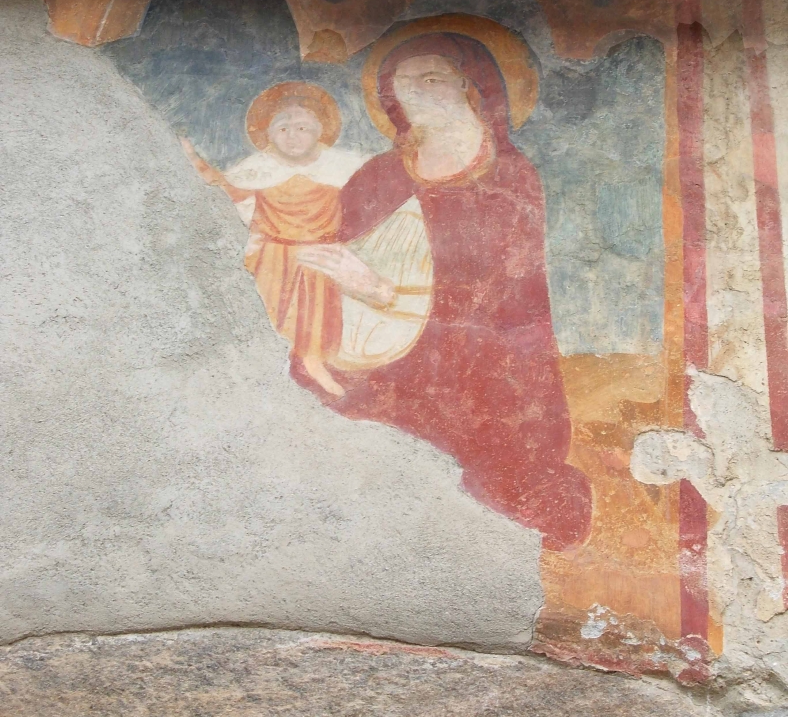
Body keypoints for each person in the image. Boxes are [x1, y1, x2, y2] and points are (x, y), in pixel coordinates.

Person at [297, 32, 593, 551]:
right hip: (379, 342)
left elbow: (502, 292)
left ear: (469, 86)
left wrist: (381, 290)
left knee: (505, 463)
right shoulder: (377, 176)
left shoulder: (509, 176)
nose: (417, 92)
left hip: (485, 351)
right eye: (403, 84)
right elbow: (330, 257)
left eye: (432, 78)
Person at [184, 82, 364, 398]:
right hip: (273, 257)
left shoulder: (346, 165)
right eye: (282, 128)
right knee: (274, 315)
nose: (292, 135)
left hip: (322, 256)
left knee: (317, 315)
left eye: (302, 127)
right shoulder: (257, 168)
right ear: (267, 133)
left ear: (321, 130)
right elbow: (226, 190)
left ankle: (315, 363)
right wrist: (191, 157)